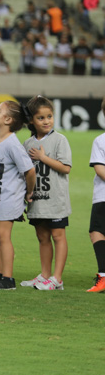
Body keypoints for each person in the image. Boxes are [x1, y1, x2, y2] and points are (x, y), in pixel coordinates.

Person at [0, 101, 36, 291]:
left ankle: (8, 278)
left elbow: (29, 171)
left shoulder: (12, 144)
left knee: (3, 236)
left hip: (9, 197)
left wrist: (29, 192)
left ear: (8, 120)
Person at [21, 96, 71, 291]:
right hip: (37, 200)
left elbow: (65, 168)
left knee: (58, 236)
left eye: (49, 116)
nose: (46, 121)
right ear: (32, 121)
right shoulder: (27, 143)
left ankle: (57, 278)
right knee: (42, 237)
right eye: (41, 118)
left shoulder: (60, 140)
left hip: (55, 200)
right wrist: (27, 192)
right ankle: (44, 275)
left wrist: (43, 157)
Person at [87, 98, 105, 293]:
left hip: (103, 197)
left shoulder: (101, 140)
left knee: (98, 232)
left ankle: (104, 277)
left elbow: (100, 169)